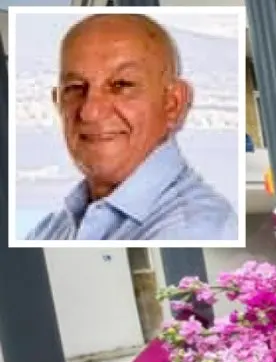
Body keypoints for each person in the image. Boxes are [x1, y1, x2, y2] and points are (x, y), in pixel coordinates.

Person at [25, 13, 237, 243]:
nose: (90, 111)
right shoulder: (50, 229)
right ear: (58, 102)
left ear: (173, 103)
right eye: (75, 88)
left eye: (121, 85)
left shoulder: (196, 229)